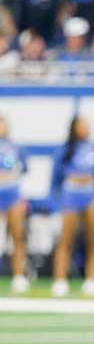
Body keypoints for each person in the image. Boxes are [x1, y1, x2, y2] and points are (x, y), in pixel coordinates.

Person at [51, 115, 94, 298]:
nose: (86, 127)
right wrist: (56, 201)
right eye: (81, 124)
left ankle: (93, 279)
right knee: (66, 238)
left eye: (87, 124)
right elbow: (56, 179)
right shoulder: (66, 150)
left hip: (92, 193)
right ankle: (60, 280)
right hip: (71, 193)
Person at [0, 114, 30, 294]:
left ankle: (19, 275)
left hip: (12, 194)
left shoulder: (14, 147)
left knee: (17, 235)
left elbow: (24, 168)